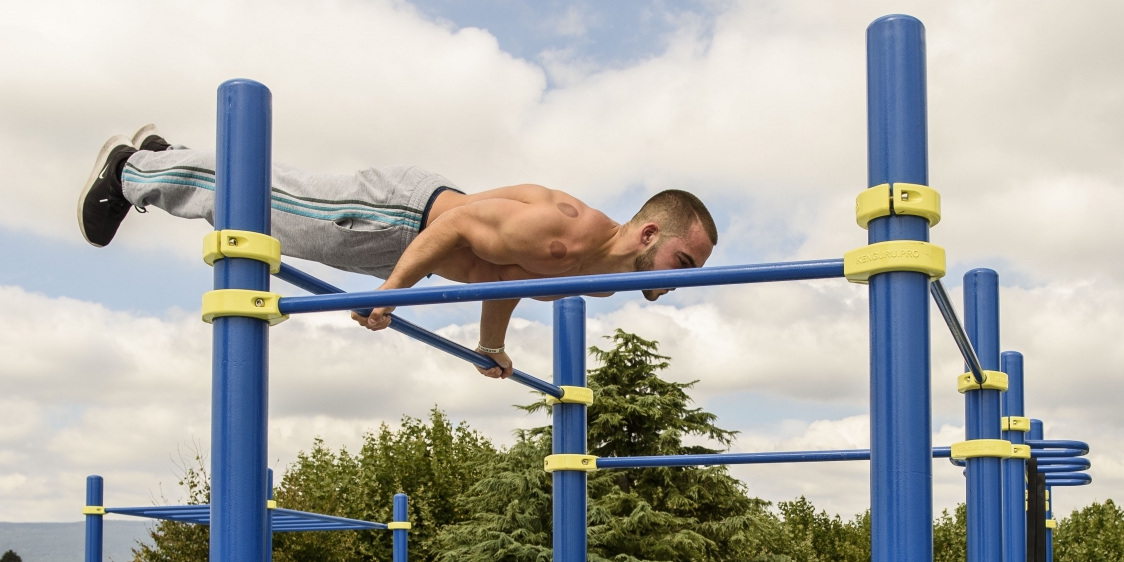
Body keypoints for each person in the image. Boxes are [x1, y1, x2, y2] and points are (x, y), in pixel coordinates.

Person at [78, 126, 719, 380]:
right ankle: (132, 170)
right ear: (646, 234)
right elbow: (459, 227)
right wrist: (394, 291)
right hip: (404, 218)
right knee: (269, 213)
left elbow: (505, 278)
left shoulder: (602, 276)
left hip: (408, 239)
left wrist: (490, 345)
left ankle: (169, 158)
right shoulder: (565, 231)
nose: (680, 282)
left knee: (276, 205)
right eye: (682, 264)